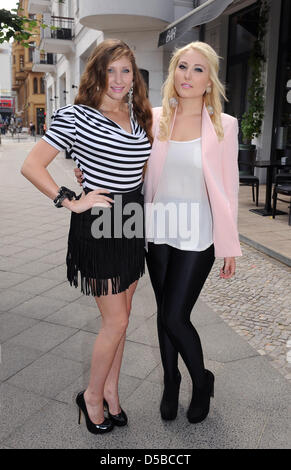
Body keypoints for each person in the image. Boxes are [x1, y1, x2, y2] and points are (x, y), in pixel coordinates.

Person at [75, 41, 242, 425]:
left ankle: (201, 382)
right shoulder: (153, 118)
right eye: (182, 67)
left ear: (209, 79)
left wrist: (229, 244)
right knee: (165, 313)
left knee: (174, 315)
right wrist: (85, 176)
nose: (188, 75)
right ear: (173, 73)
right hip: (156, 229)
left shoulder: (224, 124)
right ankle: (171, 381)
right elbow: (118, 156)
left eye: (198, 69)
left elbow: (229, 187)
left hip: (198, 231)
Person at [21, 39, 153, 435]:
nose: (118, 79)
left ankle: (111, 392)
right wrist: (70, 199)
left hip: (131, 222)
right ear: (97, 73)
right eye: (110, 70)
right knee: (114, 322)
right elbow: (31, 165)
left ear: (134, 76)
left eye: (125, 70)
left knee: (124, 320)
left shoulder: (139, 114)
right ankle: (91, 396)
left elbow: (140, 169)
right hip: (98, 225)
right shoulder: (75, 116)